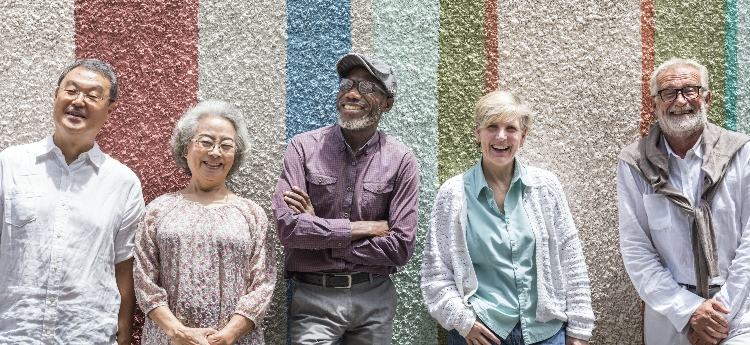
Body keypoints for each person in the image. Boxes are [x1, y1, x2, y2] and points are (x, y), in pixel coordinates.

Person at [421, 90, 594, 345]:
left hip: (545, 334)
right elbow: (435, 273)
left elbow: (571, 261)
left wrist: (579, 330)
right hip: (481, 333)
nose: (501, 136)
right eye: (492, 126)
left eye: (510, 128)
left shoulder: (545, 187)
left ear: (523, 136)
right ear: (478, 133)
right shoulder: (454, 194)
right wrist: (463, 321)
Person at [272, 53, 420, 344]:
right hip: (314, 298)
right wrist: (361, 229)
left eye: (367, 88)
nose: (352, 93)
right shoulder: (303, 148)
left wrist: (319, 232)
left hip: (374, 298)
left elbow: (400, 247)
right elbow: (288, 229)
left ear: (388, 103)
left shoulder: (401, 160)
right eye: (347, 84)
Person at [0, 59, 144, 344]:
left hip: (87, 335)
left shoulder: (123, 183)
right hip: (15, 332)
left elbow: (123, 272)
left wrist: (124, 337)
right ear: (56, 96)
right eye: (71, 90)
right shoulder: (9, 165)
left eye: (92, 95)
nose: (79, 101)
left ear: (110, 110)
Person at [618, 58, 750, 345]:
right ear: (655, 103)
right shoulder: (635, 163)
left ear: (706, 98)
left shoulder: (742, 153)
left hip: (738, 314)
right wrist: (690, 311)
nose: (680, 100)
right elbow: (636, 251)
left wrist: (718, 316)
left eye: (690, 90)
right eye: (669, 93)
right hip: (670, 316)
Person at [134, 100, 276, 345]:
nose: (215, 152)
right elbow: (144, 280)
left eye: (226, 145)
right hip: (168, 339)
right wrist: (178, 332)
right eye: (206, 142)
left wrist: (229, 334)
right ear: (186, 148)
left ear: (235, 154)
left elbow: (263, 283)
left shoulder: (251, 214)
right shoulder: (158, 210)